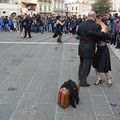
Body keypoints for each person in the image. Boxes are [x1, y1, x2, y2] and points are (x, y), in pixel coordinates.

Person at [77, 11, 101, 87]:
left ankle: (80, 77)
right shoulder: (96, 26)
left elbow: (78, 34)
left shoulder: (81, 25)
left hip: (81, 47)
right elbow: (98, 37)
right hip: (90, 48)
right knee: (87, 65)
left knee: (81, 63)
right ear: (94, 16)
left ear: (87, 16)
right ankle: (83, 82)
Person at [90, 16, 112, 87]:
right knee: (96, 63)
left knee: (104, 65)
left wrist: (93, 33)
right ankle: (98, 78)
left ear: (99, 20)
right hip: (98, 48)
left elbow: (101, 35)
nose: (95, 21)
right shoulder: (97, 27)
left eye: (96, 20)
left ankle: (109, 79)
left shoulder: (104, 26)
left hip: (104, 48)